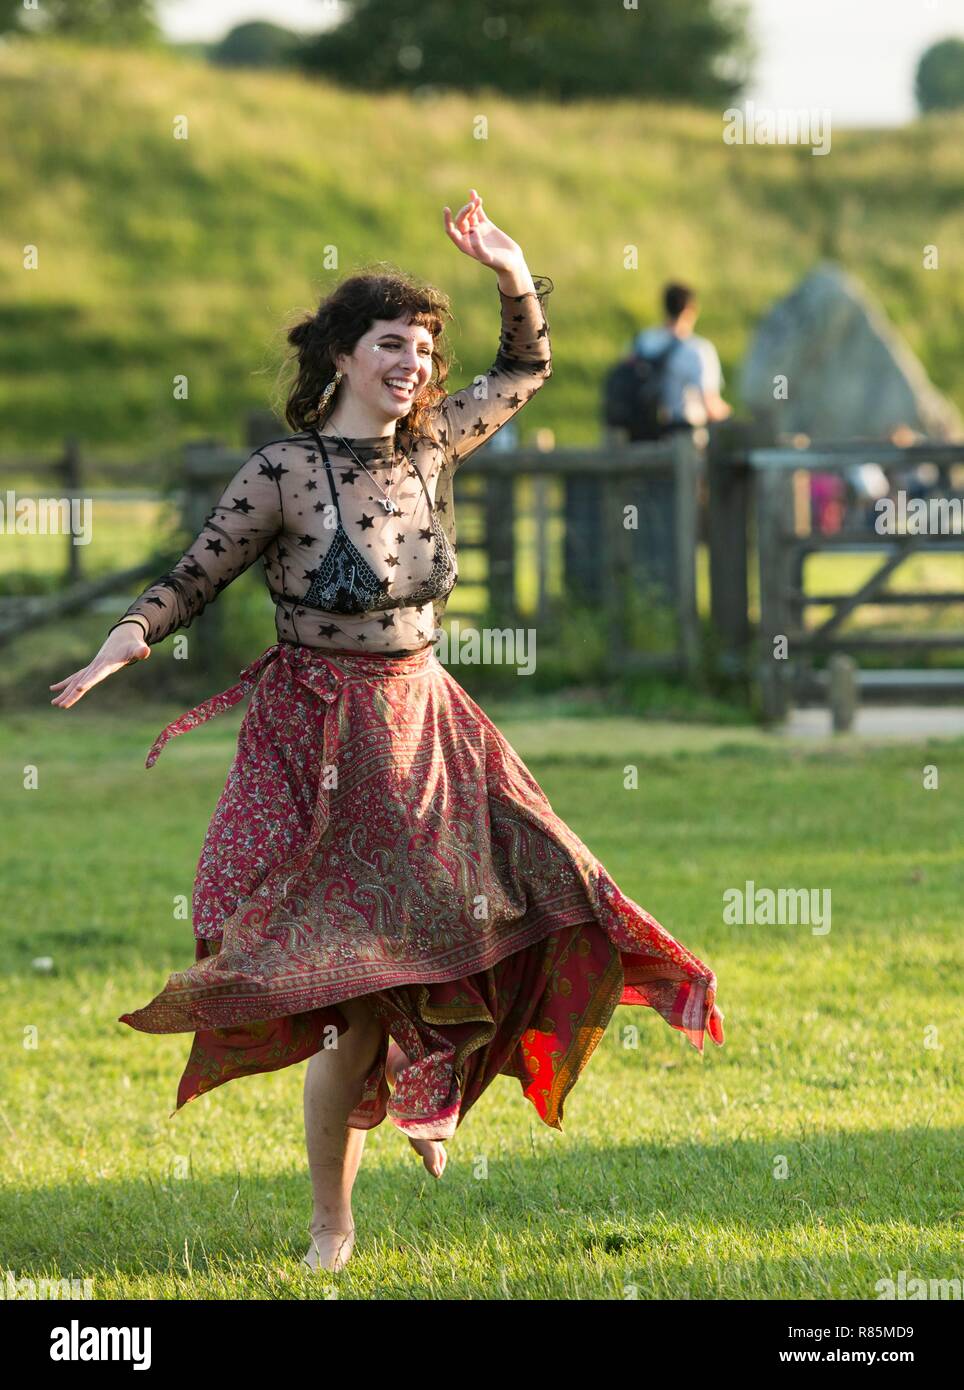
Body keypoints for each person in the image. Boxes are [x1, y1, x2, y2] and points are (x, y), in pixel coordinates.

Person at [50, 190, 724, 1274]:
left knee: (539, 890)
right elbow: (191, 576)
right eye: (390, 345)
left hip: (428, 728)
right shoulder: (282, 471)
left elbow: (524, 373)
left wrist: (511, 271)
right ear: (342, 357)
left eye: (421, 347)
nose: (412, 363)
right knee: (346, 999)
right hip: (315, 741)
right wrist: (120, 642)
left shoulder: (434, 445)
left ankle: (437, 1081)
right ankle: (333, 1226)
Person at [613, 281, 731, 440]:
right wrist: (732, 419)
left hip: (641, 437)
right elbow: (711, 406)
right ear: (691, 309)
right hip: (683, 437)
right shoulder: (697, 350)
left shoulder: (642, 342)